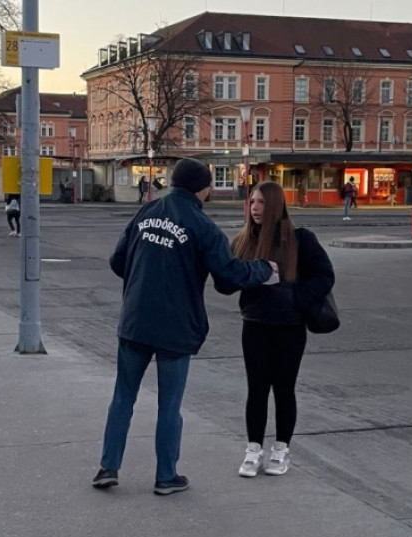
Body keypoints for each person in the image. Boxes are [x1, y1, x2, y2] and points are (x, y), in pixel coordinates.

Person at [93, 157, 280, 495]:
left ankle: (108, 467)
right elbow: (229, 276)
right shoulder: (204, 227)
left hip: (135, 321)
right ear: (203, 189)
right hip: (176, 328)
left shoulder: (145, 213)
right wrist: (264, 270)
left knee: (123, 396)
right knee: (169, 404)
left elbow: (117, 261)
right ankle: (166, 476)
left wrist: (145, 280)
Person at [219, 181, 334, 478]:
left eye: (261, 203)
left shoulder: (300, 240)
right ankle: (253, 449)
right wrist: (238, 276)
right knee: (256, 389)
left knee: (284, 390)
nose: (255, 208)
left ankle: (281, 449)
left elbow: (324, 276)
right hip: (255, 324)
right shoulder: (243, 241)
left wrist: (296, 298)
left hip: (289, 327)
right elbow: (225, 284)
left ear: (276, 206)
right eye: (252, 202)